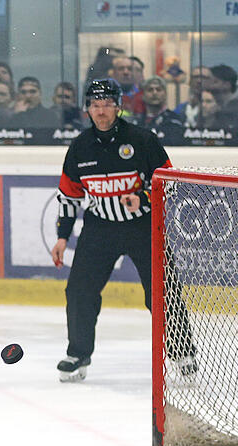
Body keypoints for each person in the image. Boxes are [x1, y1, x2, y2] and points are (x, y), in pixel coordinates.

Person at [50, 78, 195, 382]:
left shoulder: (143, 140)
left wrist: (142, 197)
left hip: (142, 226)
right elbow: (69, 195)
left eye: (106, 105)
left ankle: (183, 354)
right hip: (99, 228)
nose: (100, 112)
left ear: (118, 107)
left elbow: (169, 182)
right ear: (87, 109)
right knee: (79, 290)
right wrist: (62, 236)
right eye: (94, 105)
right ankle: (78, 354)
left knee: (161, 289)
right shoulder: (80, 147)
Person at [139, 76, 184, 144]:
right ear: (143, 95)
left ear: (165, 94)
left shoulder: (174, 119)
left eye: (158, 89)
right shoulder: (138, 121)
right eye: (150, 90)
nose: (154, 93)